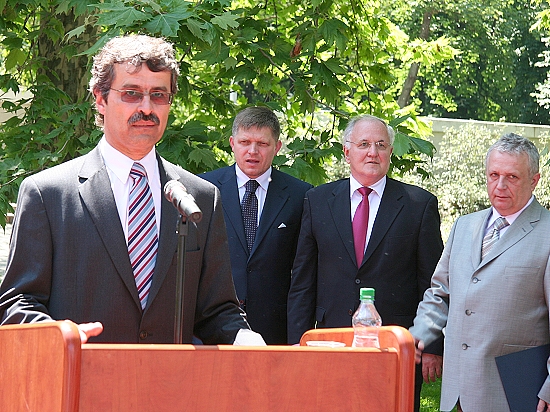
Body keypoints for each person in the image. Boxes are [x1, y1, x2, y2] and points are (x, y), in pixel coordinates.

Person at [0, 34, 264, 346]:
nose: (147, 108)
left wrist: (244, 338)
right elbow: (17, 305)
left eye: (159, 95)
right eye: (131, 94)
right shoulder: (48, 195)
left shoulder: (200, 197)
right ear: (100, 98)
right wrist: (63, 336)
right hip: (80, 372)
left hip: (171, 376)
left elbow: (216, 311)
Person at [287, 114, 444, 411]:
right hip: (330, 341)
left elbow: (433, 284)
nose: (373, 152)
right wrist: (298, 341)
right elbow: (303, 281)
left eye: (381, 145)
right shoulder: (317, 201)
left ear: (390, 152)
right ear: (347, 152)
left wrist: (433, 346)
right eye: (364, 144)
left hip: (396, 346)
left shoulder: (418, 205)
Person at [410, 133, 550, 412]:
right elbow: (440, 292)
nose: (500, 185)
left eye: (512, 177)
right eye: (494, 175)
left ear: (534, 180)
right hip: (461, 388)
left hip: (520, 391)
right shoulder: (464, 226)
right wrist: (419, 334)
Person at [200, 106, 312, 344]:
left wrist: (297, 336)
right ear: (232, 143)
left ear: (277, 147)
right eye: (245, 142)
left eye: (262, 143)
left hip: (275, 329)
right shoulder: (204, 189)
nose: (252, 151)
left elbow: (304, 274)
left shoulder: (300, 195)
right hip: (214, 328)